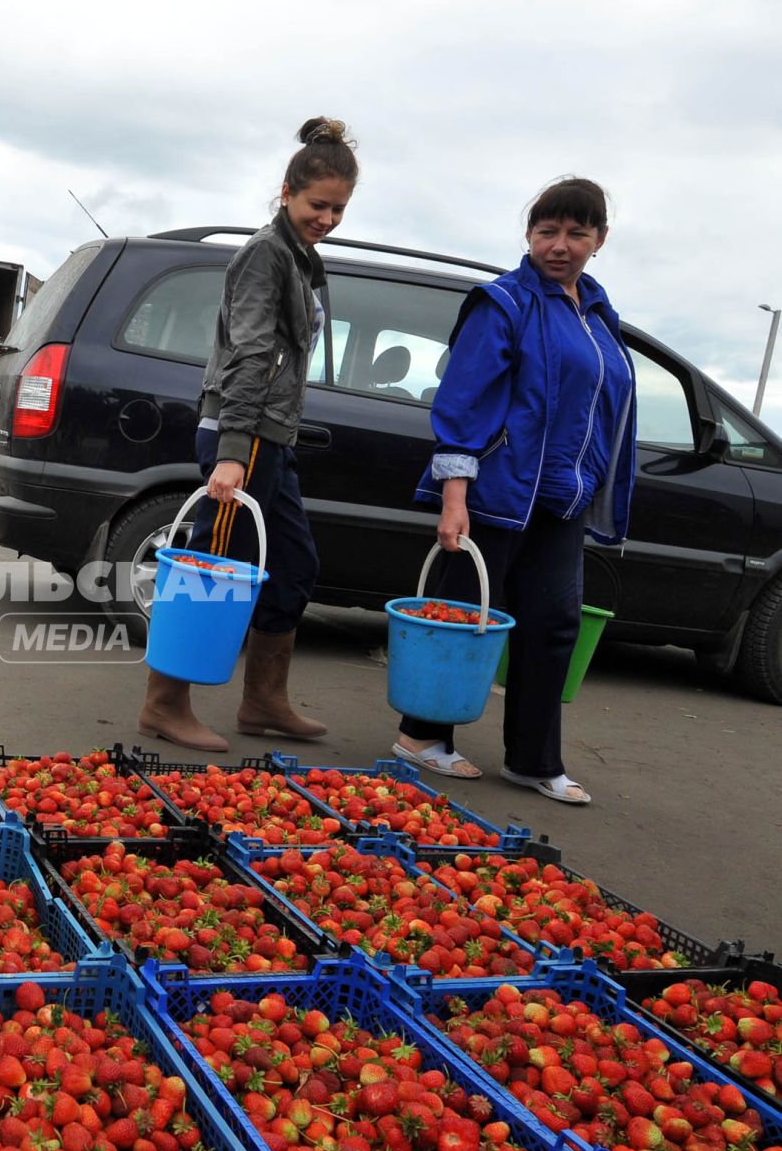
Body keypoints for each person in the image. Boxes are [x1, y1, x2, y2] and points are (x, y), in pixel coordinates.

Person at [393, 178, 634, 806]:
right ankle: (421, 737)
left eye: (577, 233)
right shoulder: (504, 302)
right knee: (463, 615)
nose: (560, 245)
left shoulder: (599, 315)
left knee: (553, 626)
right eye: (547, 231)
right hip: (496, 491)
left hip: (563, 497)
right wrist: (454, 497)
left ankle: (533, 759)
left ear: (599, 240)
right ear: (528, 236)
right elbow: (464, 399)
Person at [138, 117, 358, 752]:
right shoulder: (266, 254)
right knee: (213, 567)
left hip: (272, 437)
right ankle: (164, 704)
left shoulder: (302, 259)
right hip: (242, 433)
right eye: (318, 205)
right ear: (287, 191)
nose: (328, 217)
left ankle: (263, 701)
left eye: (339, 208)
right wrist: (234, 452)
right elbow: (250, 353)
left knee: (294, 565)